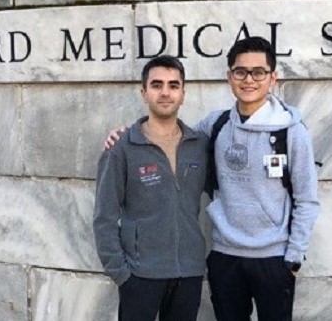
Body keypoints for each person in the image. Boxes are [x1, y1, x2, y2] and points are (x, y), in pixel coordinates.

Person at [105, 36, 320, 321]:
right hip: (224, 256)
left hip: (273, 258)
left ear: (272, 78)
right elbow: (172, 140)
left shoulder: (292, 131)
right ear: (229, 77)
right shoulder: (216, 124)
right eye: (240, 71)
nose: (249, 80)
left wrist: (293, 257)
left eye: (259, 72)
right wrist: (127, 134)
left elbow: (307, 198)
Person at [93, 55, 209, 321]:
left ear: (183, 94)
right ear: (144, 92)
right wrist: (122, 274)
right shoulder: (122, 148)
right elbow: (104, 217)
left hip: (188, 274)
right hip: (140, 276)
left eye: (173, 85)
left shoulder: (199, 146)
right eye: (157, 85)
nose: (165, 92)